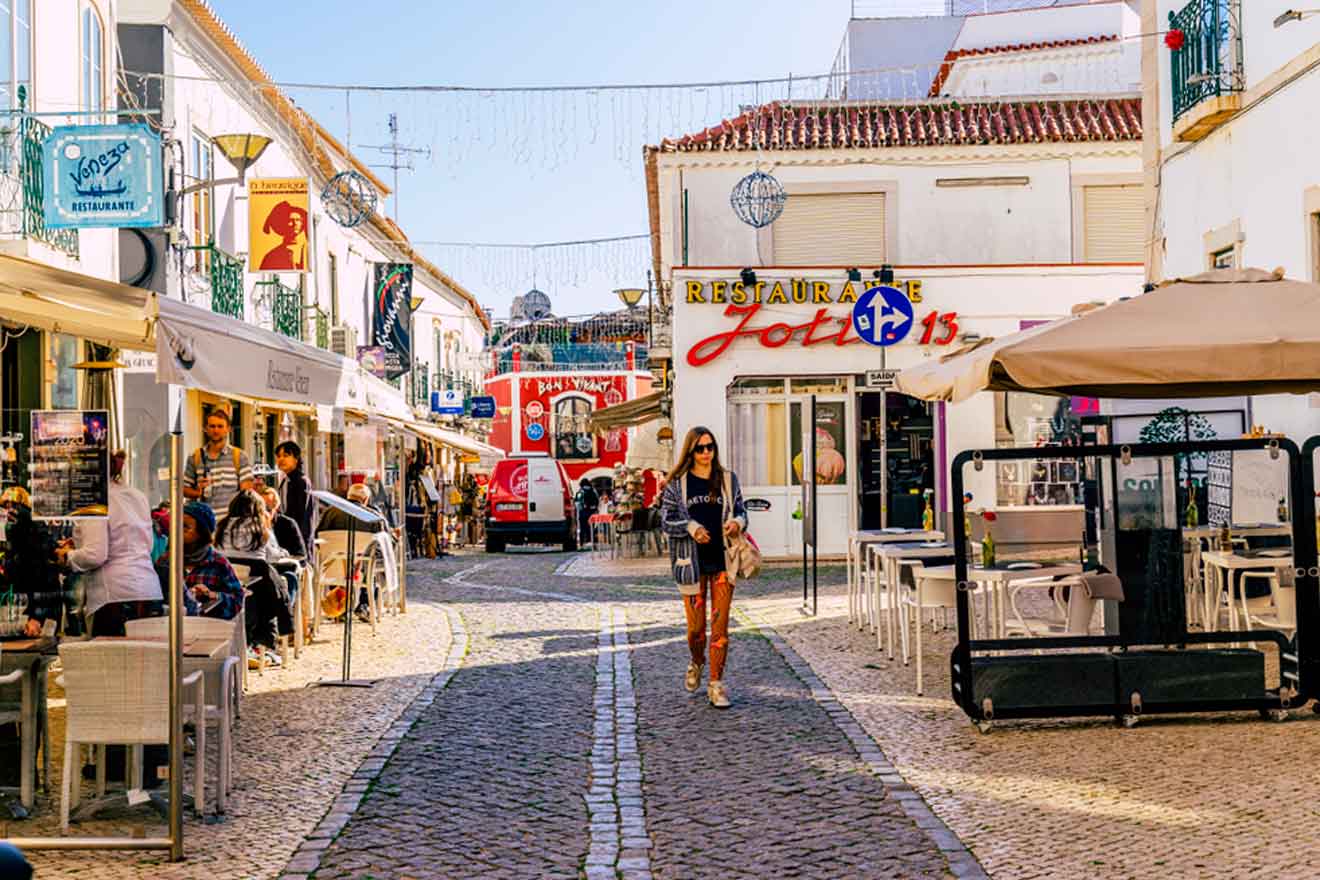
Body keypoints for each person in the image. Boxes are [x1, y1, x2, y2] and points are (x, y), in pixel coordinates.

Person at [659, 427, 747, 709]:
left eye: (710, 447)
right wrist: (692, 527)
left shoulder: (728, 480)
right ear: (690, 451)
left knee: (720, 627)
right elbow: (665, 521)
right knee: (696, 629)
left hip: (723, 561)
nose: (706, 453)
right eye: (700, 448)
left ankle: (716, 685)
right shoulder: (677, 484)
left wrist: (737, 523)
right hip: (691, 563)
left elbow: (742, 510)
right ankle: (696, 661)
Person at [55, 451, 163, 637]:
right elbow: (138, 541)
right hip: (149, 591)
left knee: (111, 663)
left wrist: (66, 556)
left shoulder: (95, 500)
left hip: (115, 598)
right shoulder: (137, 495)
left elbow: (95, 554)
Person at [216, 490, 294, 662]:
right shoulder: (259, 527)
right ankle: (263, 645)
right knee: (278, 591)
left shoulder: (222, 526)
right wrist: (283, 552)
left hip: (228, 577)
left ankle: (252, 646)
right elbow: (271, 556)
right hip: (257, 578)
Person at [1, 487, 62, 637]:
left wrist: (36, 616)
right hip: (27, 609)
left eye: (13, 505)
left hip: (34, 610)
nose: (8, 511)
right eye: (5, 506)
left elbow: (41, 573)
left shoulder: (27, 532)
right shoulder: (25, 533)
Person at [180, 501, 243, 621]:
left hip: (207, 629)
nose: (177, 532)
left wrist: (211, 595)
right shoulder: (167, 561)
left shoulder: (217, 563)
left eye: (185, 527)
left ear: (202, 533)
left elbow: (237, 601)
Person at [183, 408, 254, 515]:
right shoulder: (195, 457)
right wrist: (197, 492)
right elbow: (184, 489)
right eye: (212, 426)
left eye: (220, 426)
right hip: (204, 525)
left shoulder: (239, 456)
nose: (216, 430)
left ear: (228, 429)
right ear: (206, 429)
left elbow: (246, 492)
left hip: (229, 524)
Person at [274, 440, 314, 551]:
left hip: (298, 538)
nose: (281, 459)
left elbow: (300, 513)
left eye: (286, 455)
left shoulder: (301, 481)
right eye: (278, 456)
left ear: (296, 459)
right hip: (287, 537)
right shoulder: (285, 480)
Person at [257, 200, 308, 271]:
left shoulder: (307, 249)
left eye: (298, 220)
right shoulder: (272, 256)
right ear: (283, 224)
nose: (295, 223)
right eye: (291, 220)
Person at [259, 486, 307, 559]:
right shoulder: (253, 525)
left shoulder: (288, 524)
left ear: (276, 507)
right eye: (262, 508)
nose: (265, 512)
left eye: (268, 508)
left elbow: (300, 554)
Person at [574, 478, 599, 547]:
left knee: (582, 528)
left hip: (583, 512)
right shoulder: (593, 490)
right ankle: (591, 541)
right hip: (592, 512)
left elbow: (577, 502)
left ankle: (582, 543)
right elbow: (597, 501)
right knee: (591, 528)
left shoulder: (580, 491)